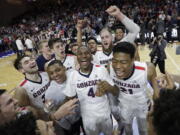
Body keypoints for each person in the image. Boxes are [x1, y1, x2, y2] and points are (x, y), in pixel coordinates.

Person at [98, 42, 159, 135]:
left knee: (143, 130)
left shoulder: (147, 69)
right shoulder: (110, 68)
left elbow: (157, 94)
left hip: (142, 106)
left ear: (133, 60)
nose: (117, 66)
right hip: (125, 105)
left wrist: (155, 107)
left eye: (123, 62)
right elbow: (116, 90)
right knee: (128, 129)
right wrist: (109, 88)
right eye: (114, 61)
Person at [63, 46, 118, 135]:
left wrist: (109, 87)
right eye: (80, 54)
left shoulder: (101, 69)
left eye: (86, 53)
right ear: (77, 57)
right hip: (88, 118)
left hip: (105, 114)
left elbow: (116, 91)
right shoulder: (73, 75)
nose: (83, 56)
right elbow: (69, 98)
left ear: (91, 56)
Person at [45, 60, 82, 135]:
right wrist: (68, 127)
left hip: (84, 114)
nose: (55, 75)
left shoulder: (74, 75)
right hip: (71, 123)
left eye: (58, 70)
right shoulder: (50, 93)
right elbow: (51, 113)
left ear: (64, 68)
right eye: (51, 73)